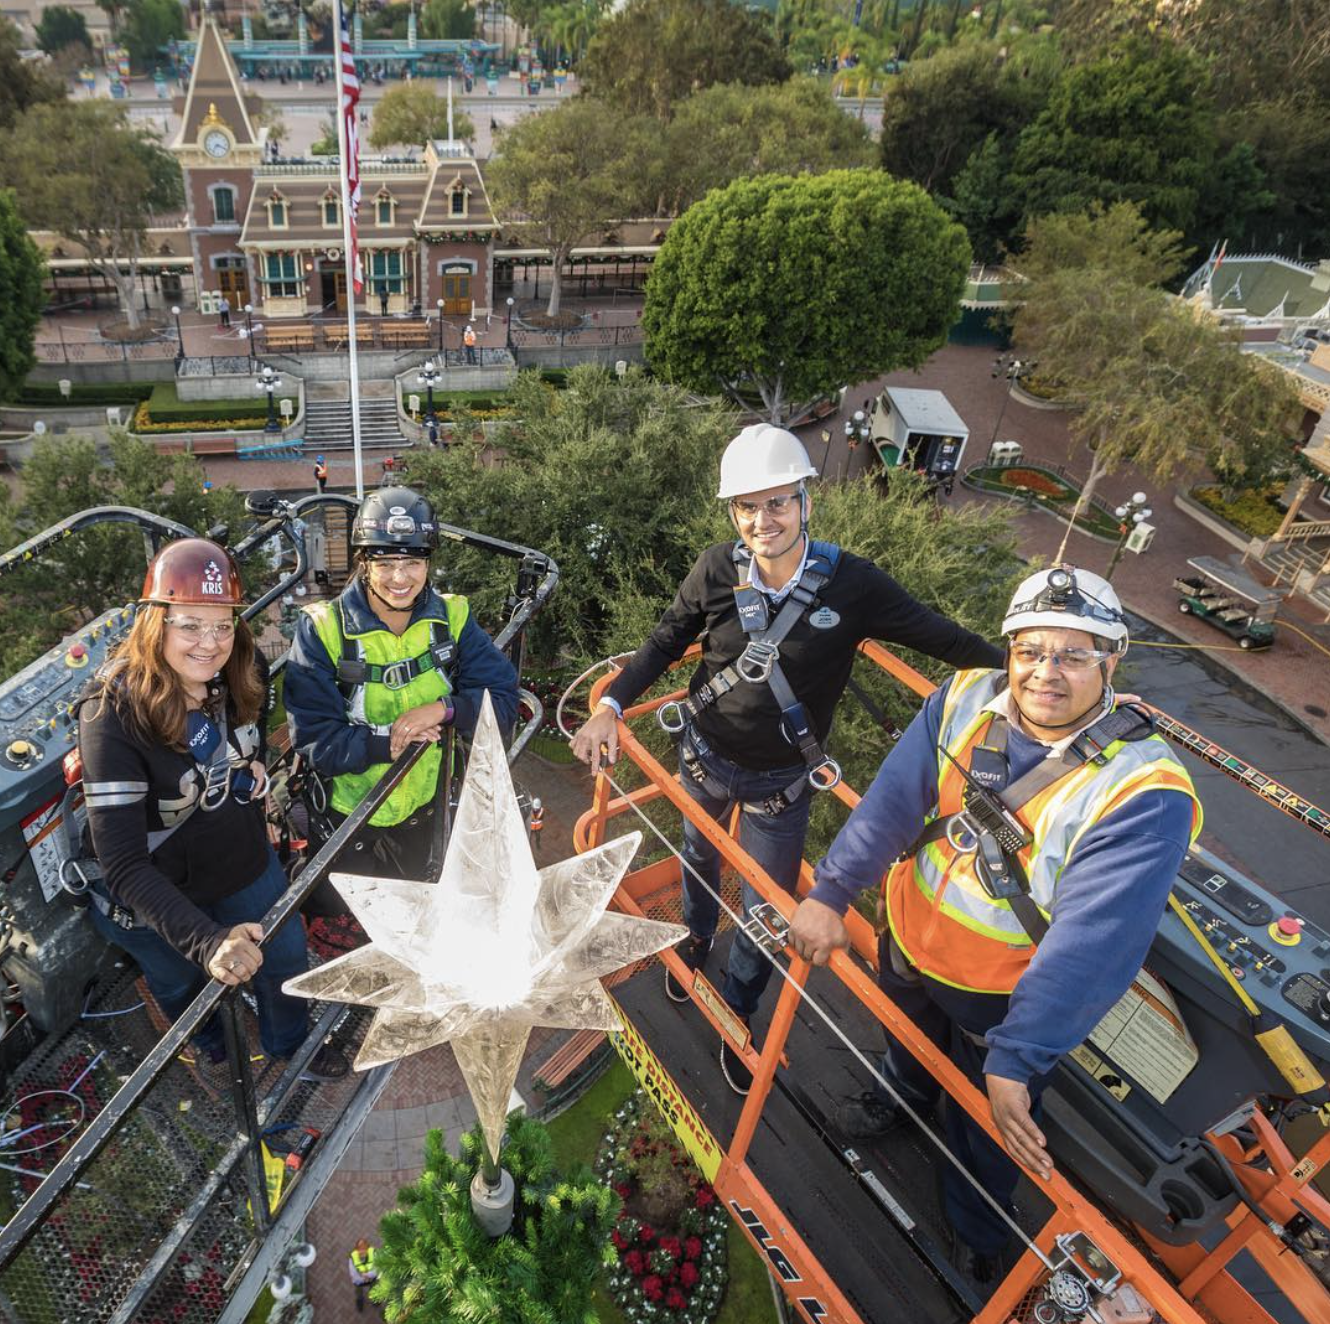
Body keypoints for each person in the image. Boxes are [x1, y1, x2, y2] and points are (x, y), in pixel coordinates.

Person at [788, 566, 1201, 1280]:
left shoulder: (1141, 791)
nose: (1045, 673)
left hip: (999, 995)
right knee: (906, 1047)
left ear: (1113, 658)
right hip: (909, 941)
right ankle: (900, 1096)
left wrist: (1021, 1055)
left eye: (1073, 655)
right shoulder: (966, 698)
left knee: (991, 1121)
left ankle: (980, 1227)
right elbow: (893, 800)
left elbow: (1092, 944)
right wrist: (832, 891)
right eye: (1031, 651)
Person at [570, 425, 1003, 1095]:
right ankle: (693, 939)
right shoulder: (716, 569)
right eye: (747, 506)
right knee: (697, 858)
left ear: (804, 502)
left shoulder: (852, 586)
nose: (761, 521)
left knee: (769, 909)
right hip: (705, 756)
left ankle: (737, 1010)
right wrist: (611, 707)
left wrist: (1028, 671)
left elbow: (941, 638)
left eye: (776, 503)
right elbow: (662, 644)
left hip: (781, 781)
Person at [78, 539, 348, 1080]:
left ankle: (288, 1043)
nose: (210, 643)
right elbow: (125, 865)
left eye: (222, 624)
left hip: (237, 857)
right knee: (182, 984)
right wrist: (206, 941)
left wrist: (249, 771)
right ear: (157, 625)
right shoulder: (112, 716)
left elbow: (249, 749)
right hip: (157, 887)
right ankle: (215, 1047)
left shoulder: (238, 674)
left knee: (287, 958)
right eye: (190, 625)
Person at [283, 487, 520, 897]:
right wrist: (387, 744)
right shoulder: (323, 629)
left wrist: (445, 709)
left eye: (413, 561)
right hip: (348, 816)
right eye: (385, 562)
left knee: (422, 905)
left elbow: (502, 702)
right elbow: (315, 738)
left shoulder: (452, 619)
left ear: (428, 563)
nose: (399, 578)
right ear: (363, 563)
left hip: (424, 813)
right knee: (346, 918)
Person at [348, 1238, 379, 1313]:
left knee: (374, 1290)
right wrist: (364, 1278)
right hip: (359, 1282)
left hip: (372, 1279)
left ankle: (375, 1300)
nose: (362, 1251)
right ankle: (360, 1301)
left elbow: (377, 1269)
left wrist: (368, 1275)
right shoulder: (352, 1258)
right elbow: (353, 1274)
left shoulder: (373, 1254)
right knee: (359, 1293)